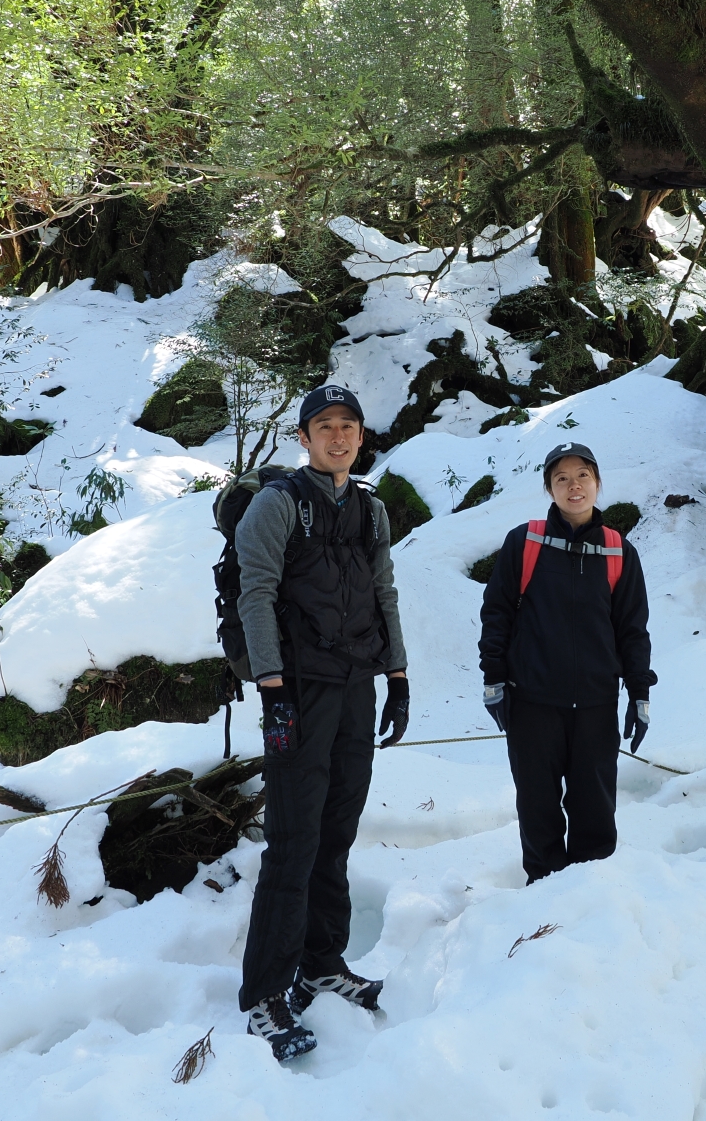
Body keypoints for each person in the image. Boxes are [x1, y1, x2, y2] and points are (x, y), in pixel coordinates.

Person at [233, 383, 410, 1062]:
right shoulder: (278, 506)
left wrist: (397, 676)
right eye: (324, 426)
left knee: (336, 829)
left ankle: (321, 962)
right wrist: (273, 689)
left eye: (348, 426)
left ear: (362, 438)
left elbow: (384, 591)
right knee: (292, 839)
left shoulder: (369, 510)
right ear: (303, 439)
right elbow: (255, 593)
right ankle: (264, 994)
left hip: (357, 688)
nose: (337, 436)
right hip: (299, 692)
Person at [478, 440, 654, 884]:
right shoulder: (526, 542)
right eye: (562, 478)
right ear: (549, 488)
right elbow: (496, 613)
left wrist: (639, 693)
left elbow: (632, 629)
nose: (574, 486)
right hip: (533, 703)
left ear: (597, 482)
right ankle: (542, 897)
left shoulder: (618, 552)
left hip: (595, 705)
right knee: (538, 808)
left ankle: (591, 899)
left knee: (594, 808)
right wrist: (494, 679)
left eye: (582, 476)